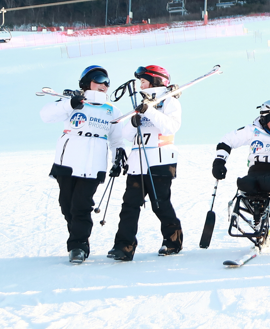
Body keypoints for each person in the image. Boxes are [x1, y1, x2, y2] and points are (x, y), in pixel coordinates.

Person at [40, 65, 125, 264]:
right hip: (67, 161)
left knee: (81, 205)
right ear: (86, 83)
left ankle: (78, 246)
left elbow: (117, 139)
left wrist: (118, 157)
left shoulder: (112, 110)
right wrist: (69, 104)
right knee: (66, 205)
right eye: (98, 79)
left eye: (106, 81)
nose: (103, 84)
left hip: (94, 164)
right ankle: (77, 237)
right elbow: (46, 115)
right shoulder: (72, 103)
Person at [108, 65, 182, 261]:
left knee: (160, 204)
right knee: (129, 206)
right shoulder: (141, 103)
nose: (140, 84)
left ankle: (172, 241)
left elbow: (170, 127)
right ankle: (124, 246)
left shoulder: (169, 102)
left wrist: (149, 111)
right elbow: (127, 135)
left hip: (161, 161)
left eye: (143, 80)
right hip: (137, 162)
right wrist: (134, 122)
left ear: (156, 80)